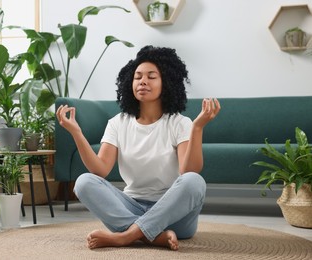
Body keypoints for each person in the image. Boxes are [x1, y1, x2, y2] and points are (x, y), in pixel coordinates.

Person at [56, 45, 221, 251]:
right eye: (138, 76)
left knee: (194, 181)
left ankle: (126, 236)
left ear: (166, 82)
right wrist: (76, 133)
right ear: (129, 83)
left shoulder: (179, 123)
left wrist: (197, 128)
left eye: (151, 76)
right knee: (83, 182)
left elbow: (188, 172)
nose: (143, 81)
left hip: (173, 215)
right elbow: (100, 170)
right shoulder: (118, 122)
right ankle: (152, 236)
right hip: (130, 207)